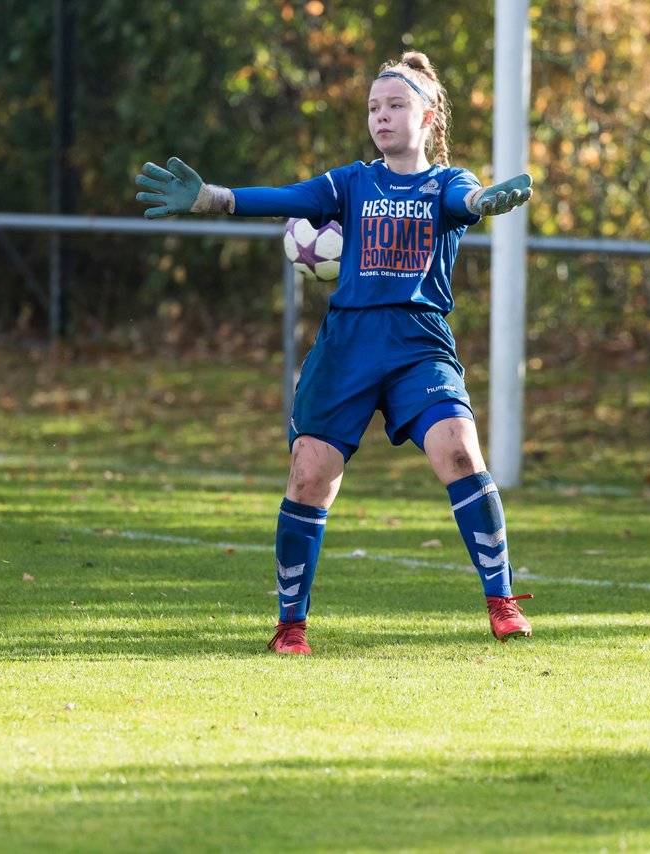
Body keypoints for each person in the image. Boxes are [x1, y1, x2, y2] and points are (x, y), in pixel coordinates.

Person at [134, 51, 535, 655]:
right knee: (309, 474)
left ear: (427, 117)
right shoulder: (351, 182)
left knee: (458, 450)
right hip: (346, 346)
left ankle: (502, 604)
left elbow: (466, 201)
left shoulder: (446, 182)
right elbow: (282, 196)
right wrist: (211, 197)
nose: (382, 115)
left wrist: (483, 205)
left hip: (416, 343)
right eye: (374, 107)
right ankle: (290, 628)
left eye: (396, 105)